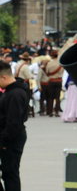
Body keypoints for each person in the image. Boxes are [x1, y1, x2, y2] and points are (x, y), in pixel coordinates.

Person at [0, 60, 28, 191]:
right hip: (9, 137)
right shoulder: (11, 91)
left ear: (4, 77)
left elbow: (13, 122)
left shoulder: (15, 94)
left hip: (11, 138)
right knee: (8, 172)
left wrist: (4, 142)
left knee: (10, 173)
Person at [14, 53, 33, 119]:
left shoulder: (17, 64)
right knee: (26, 97)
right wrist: (32, 75)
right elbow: (28, 76)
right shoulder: (25, 66)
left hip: (17, 81)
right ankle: (25, 112)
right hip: (24, 82)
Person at [45, 49, 64, 117]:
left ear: (52, 56)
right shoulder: (60, 63)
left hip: (52, 81)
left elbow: (47, 72)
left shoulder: (49, 63)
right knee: (57, 97)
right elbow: (62, 72)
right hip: (59, 81)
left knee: (50, 97)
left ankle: (50, 112)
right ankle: (57, 112)